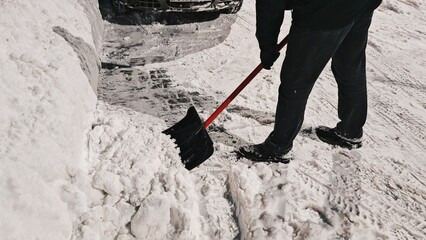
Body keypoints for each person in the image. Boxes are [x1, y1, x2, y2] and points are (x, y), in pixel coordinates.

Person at [238, 0, 382, 162]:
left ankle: (278, 147)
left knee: (296, 83)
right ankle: (350, 130)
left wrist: (267, 46)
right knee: (350, 68)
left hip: (322, 14)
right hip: (362, 6)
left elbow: (270, 4)